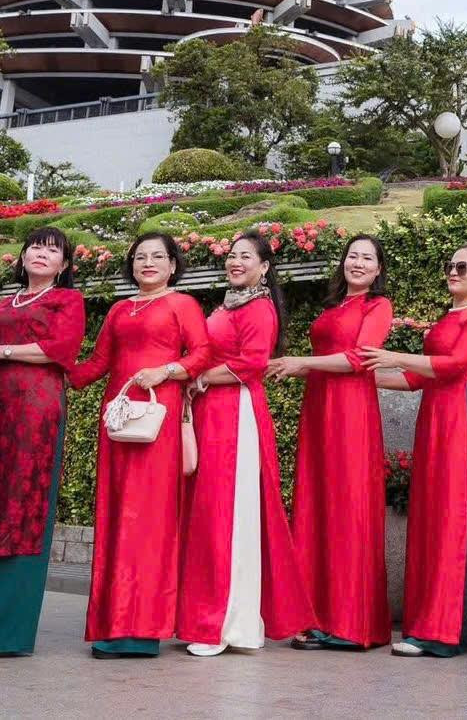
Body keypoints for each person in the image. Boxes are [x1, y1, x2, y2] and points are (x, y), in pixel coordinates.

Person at [360, 244, 467, 658]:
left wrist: (393, 355)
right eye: (449, 266)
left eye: (461, 267)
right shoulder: (450, 317)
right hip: (435, 416)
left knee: (453, 515)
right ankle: (461, 626)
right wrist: (365, 381)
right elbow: (418, 378)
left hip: (462, 417)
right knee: (433, 513)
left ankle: (442, 630)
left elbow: (454, 364)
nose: (453, 272)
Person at [68, 233, 214, 658]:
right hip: (117, 417)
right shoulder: (119, 308)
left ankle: (144, 628)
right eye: (140, 257)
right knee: (116, 514)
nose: (147, 263)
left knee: (151, 517)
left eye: (157, 257)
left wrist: (166, 371)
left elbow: (202, 353)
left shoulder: (182, 304)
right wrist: (52, 372)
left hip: (157, 416)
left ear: (172, 265)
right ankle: (115, 624)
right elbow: (98, 364)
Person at [0, 227, 87, 659]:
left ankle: (3, 632)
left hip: (37, 407)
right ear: (22, 256)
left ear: (64, 265)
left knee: (20, 507)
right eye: (35, 247)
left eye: (53, 250)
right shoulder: (4, 304)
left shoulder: (68, 300)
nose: (42, 254)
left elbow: (61, 349)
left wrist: (0, 352)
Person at [177, 232, 317, 655]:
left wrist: (200, 378)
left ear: (264, 267)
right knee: (208, 515)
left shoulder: (259, 308)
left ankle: (229, 625)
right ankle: (209, 617)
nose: (236, 262)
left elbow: (251, 364)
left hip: (234, 415)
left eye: (245, 257)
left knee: (229, 515)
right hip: (211, 413)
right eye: (232, 255)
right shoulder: (228, 303)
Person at [267, 234, 393, 651]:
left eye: (367, 258)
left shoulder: (378, 306)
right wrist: (286, 368)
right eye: (352, 256)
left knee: (347, 506)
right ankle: (316, 616)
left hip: (351, 412)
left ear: (378, 270)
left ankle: (352, 623)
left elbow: (360, 358)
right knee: (317, 507)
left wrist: (302, 362)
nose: (357, 263)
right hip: (319, 409)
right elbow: (324, 362)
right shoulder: (334, 307)